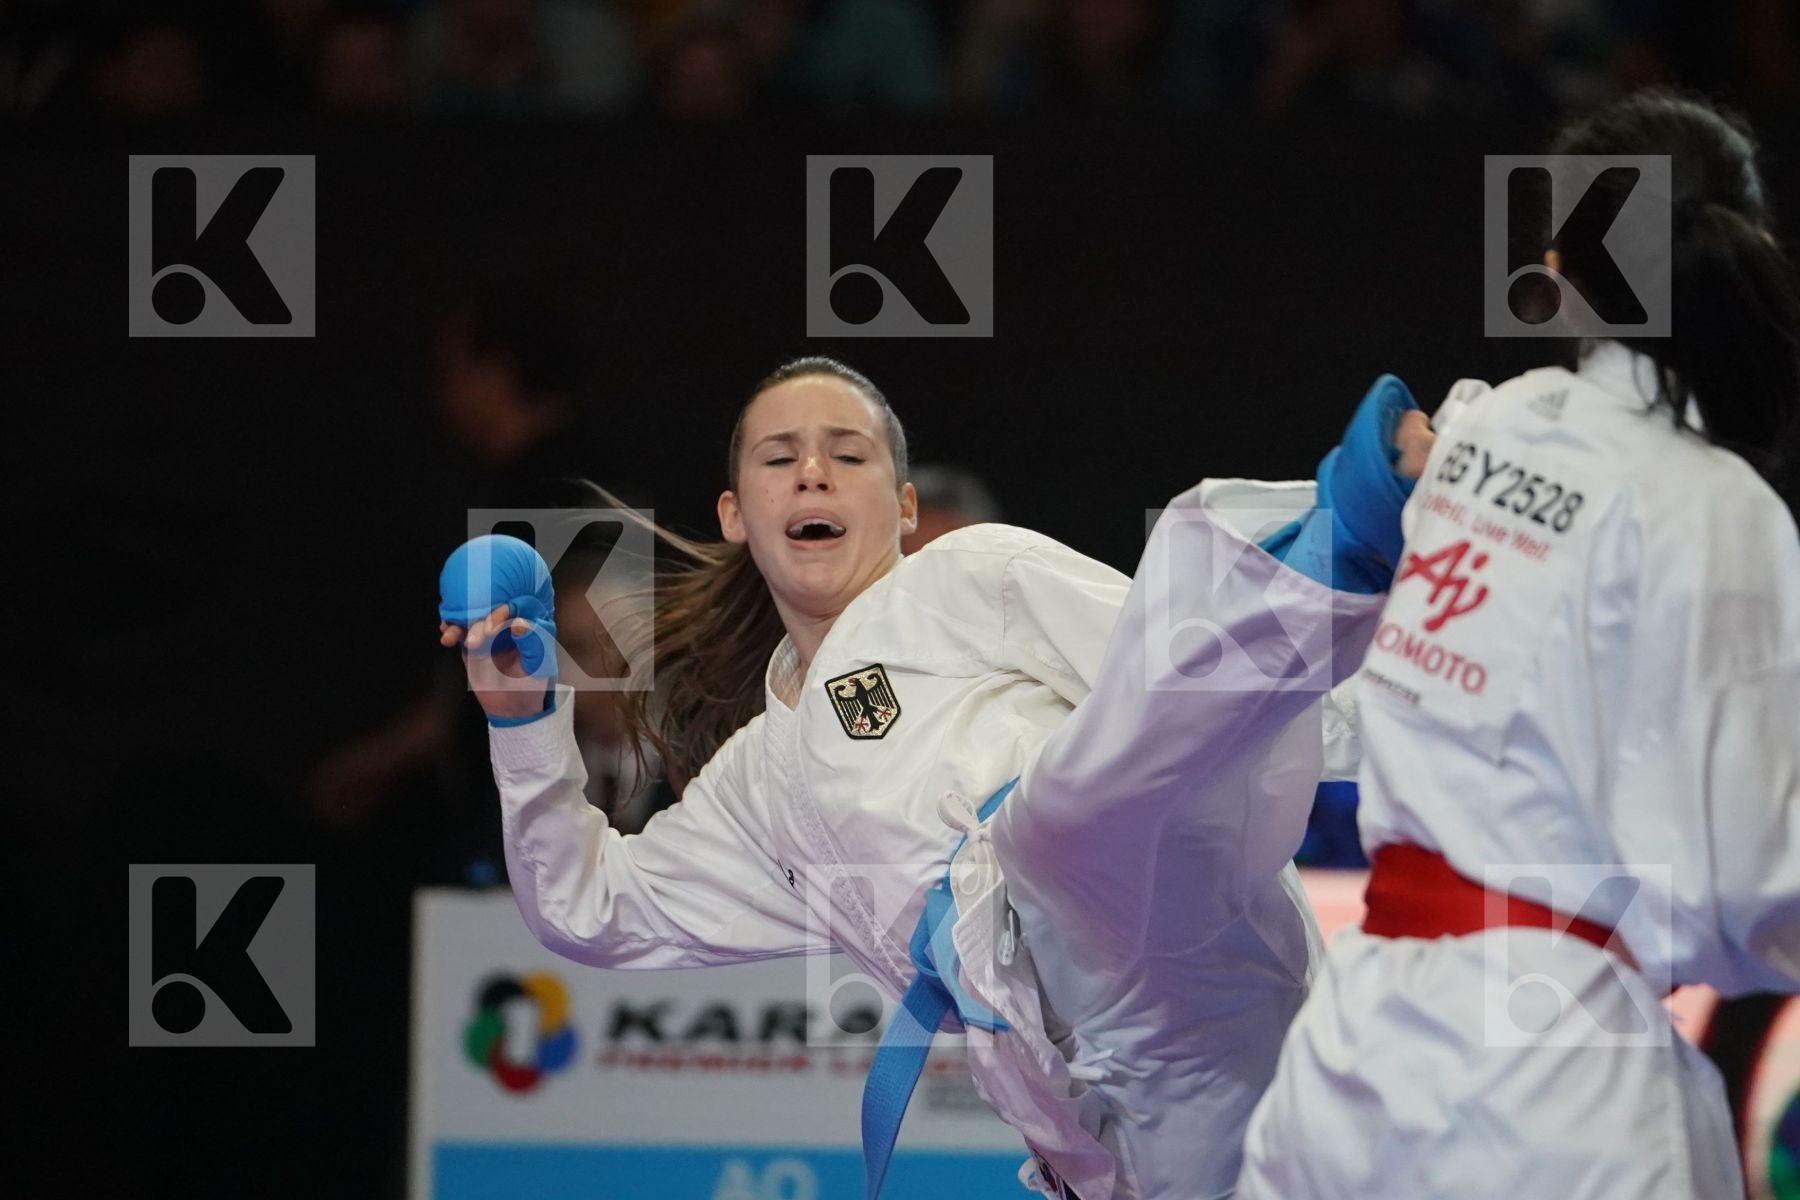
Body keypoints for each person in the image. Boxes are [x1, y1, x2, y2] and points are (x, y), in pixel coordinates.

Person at [438, 356, 1436, 1198]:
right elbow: (587, 908)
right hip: (1111, 1141)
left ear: (906, 507)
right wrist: (519, 721)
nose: (815, 474)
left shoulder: (967, 578)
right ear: (738, 515)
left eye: (850, 455)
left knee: (1053, 823)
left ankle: (1330, 553)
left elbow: (1174, 671)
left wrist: (1426, 711)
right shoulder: (756, 790)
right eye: (781, 459)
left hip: (1194, 979)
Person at [1237, 90, 1800, 1199]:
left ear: (1560, 266)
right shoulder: (1714, 506)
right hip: (1552, 1078)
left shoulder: (1481, 429)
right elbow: (1748, 889)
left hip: (1348, 1057)